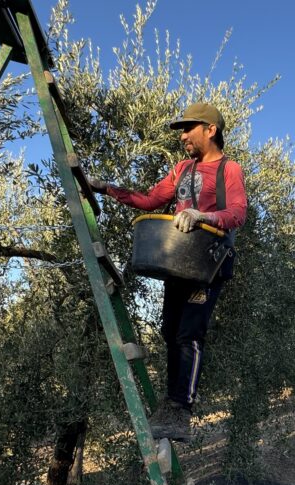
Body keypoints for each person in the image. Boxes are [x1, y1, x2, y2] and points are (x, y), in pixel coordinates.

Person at [90, 103, 247, 438]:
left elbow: (237, 213)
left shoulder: (228, 170)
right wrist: (105, 187)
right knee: (169, 330)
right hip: (178, 262)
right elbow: (149, 200)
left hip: (206, 264)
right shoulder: (182, 169)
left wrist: (202, 216)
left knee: (189, 333)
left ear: (210, 130)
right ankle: (171, 402)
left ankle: (181, 410)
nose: (183, 135)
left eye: (189, 128)